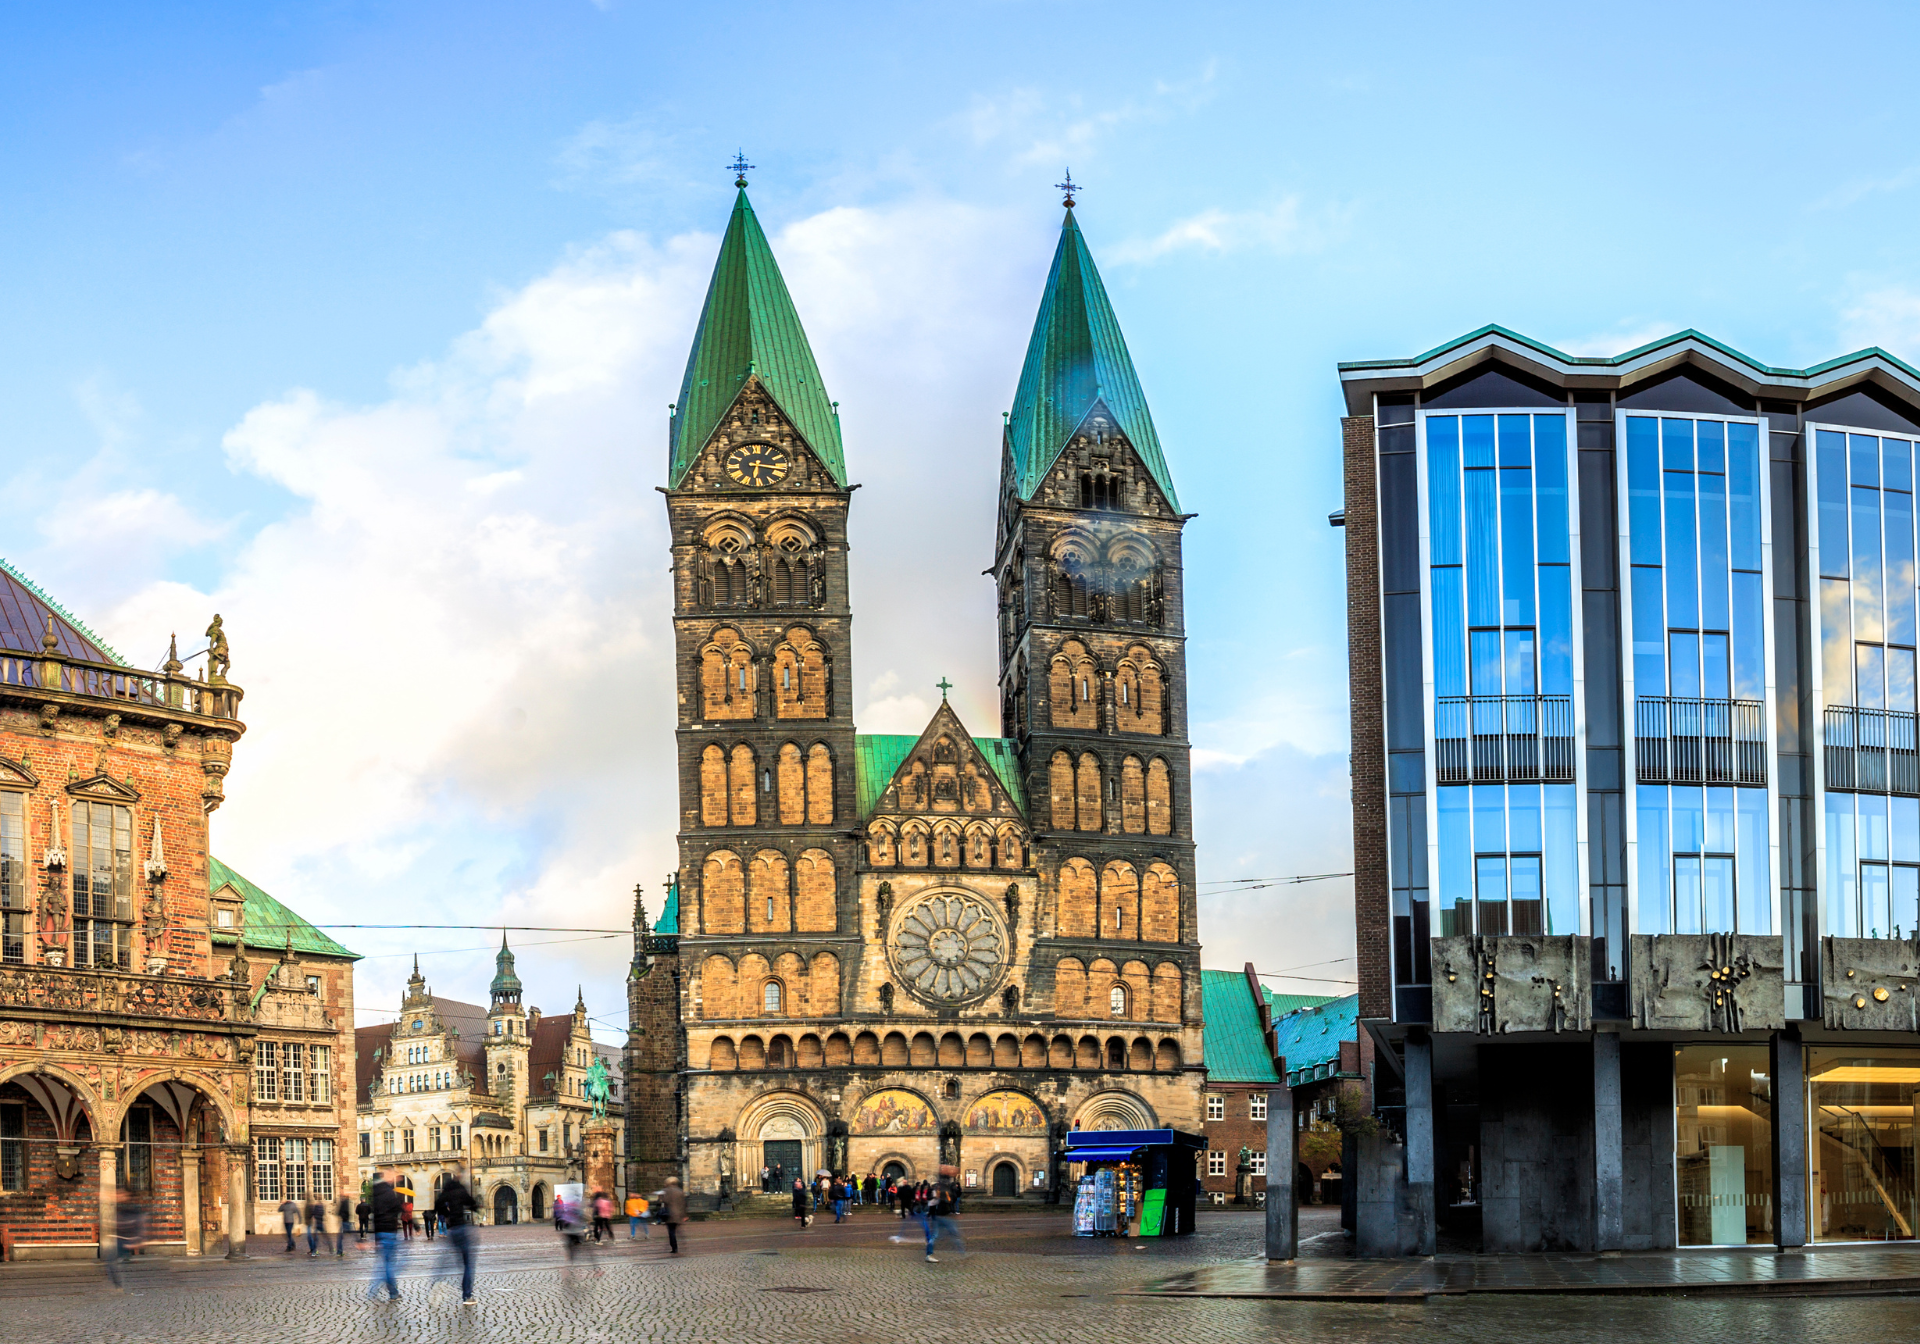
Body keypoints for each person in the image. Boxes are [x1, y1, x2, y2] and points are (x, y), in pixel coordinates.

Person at [435, 1162, 479, 1306]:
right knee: (467, 1264)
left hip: (452, 1229)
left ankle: (435, 1283)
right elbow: (472, 1203)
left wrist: (447, 1215)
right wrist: (476, 1206)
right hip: (461, 1227)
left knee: (446, 1261)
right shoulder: (460, 1189)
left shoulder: (446, 1189)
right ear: (460, 1175)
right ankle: (467, 1295)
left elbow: (438, 1205)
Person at [367, 1167, 405, 1302]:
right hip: (389, 1231)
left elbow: (375, 1215)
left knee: (386, 1263)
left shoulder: (376, 1193)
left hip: (381, 1231)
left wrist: (376, 1237)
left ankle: (392, 1291)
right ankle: (384, 1291)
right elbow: (398, 1209)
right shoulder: (389, 1193)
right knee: (391, 1264)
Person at [104, 1187, 145, 1289]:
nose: (118, 1196)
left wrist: (137, 1240)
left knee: (111, 1261)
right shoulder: (121, 1209)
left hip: (127, 1240)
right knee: (109, 1261)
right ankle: (118, 1284)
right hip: (121, 1239)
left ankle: (119, 1285)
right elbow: (120, 1222)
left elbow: (138, 1224)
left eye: (121, 1194)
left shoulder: (132, 1209)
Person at [922, 1167, 965, 1263]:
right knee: (941, 1234)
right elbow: (944, 1201)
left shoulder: (944, 1188)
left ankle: (961, 1251)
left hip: (943, 1215)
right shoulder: (941, 1189)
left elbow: (949, 1201)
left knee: (944, 1234)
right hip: (940, 1216)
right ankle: (929, 1254)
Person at [661, 1176, 688, 1254]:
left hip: (669, 1214)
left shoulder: (666, 1191)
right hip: (678, 1214)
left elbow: (664, 1201)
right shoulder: (680, 1191)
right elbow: (684, 1204)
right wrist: (684, 1215)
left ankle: (674, 1247)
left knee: (671, 1231)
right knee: (676, 1230)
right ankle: (682, 1242)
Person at [303, 1192, 326, 1257]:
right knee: (309, 1237)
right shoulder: (308, 1203)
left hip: (310, 1222)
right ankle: (312, 1249)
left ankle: (314, 1250)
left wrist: (311, 1219)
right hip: (308, 1222)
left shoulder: (310, 1204)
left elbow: (312, 1213)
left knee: (311, 1236)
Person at [334, 1188, 353, 1258]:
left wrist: (342, 1216)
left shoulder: (344, 1202)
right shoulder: (345, 1201)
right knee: (342, 1237)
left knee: (341, 1237)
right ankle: (339, 1251)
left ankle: (339, 1251)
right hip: (345, 1221)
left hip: (345, 1222)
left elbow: (341, 1212)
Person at [397, 1175, 416, 1241]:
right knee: (410, 1227)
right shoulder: (411, 1204)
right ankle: (410, 1234)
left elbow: (401, 1209)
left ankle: (406, 1236)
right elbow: (411, 1209)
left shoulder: (402, 1204)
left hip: (404, 1217)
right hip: (410, 1216)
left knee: (404, 1227)